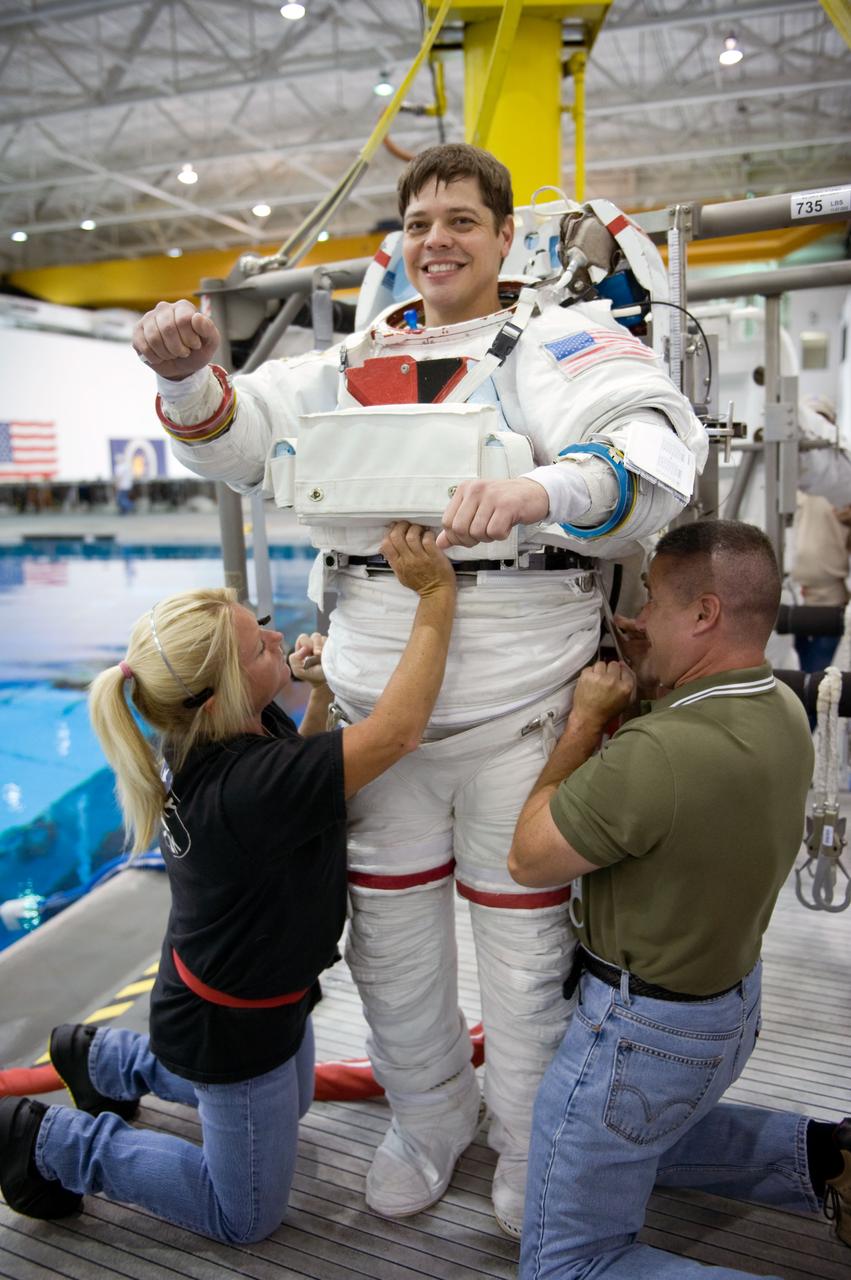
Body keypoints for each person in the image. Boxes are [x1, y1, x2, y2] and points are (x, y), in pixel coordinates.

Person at [130, 142, 707, 1234]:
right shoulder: (344, 359)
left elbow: (647, 454)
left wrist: (535, 486)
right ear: (397, 241)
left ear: (503, 239)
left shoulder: (553, 342)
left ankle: (532, 1140)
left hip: (522, 697)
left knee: (524, 945)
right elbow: (242, 439)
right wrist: (182, 376)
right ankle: (428, 1115)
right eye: (418, 221)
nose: (434, 239)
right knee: (388, 943)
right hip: (373, 699)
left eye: (460, 220)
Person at [0, 522, 457, 1244]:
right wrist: (435, 595)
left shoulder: (219, 735)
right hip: (231, 1025)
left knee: (297, 1100)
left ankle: (101, 1058)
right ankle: (46, 1142)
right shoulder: (244, 782)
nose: (279, 642)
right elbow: (397, 733)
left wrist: (318, 695)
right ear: (220, 695)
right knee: (241, 1214)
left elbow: (302, 781)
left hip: (243, 989)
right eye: (260, 648)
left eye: (266, 630)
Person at [508, 518, 850, 1279]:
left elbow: (529, 855)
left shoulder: (657, 754)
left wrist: (585, 723)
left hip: (640, 1031)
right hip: (724, 1014)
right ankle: (829, 1158)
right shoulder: (780, 709)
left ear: (703, 615)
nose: (638, 620)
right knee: (650, 1131)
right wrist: (650, 682)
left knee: (568, 1266)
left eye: (655, 602)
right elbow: (677, 776)